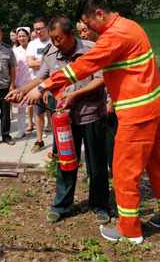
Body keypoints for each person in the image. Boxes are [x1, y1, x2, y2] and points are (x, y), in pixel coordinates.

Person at [22, 0, 160, 244]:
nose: (87, 29)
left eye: (88, 23)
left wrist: (44, 86)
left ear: (99, 14)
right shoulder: (131, 26)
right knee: (159, 165)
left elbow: (82, 66)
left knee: (123, 171)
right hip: (157, 107)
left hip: (137, 114)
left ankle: (130, 229)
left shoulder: (114, 36)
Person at [7, 17, 110, 225]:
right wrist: (22, 90)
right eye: (52, 39)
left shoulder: (92, 49)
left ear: (72, 34)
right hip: (65, 120)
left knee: (96, 164)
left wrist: (76, 95)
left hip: (92, 115)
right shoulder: (51, 53)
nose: (55, 44)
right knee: (65, 163)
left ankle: (99, 205)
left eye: (59, 39)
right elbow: (41, 78)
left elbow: (101, 79)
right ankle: (62, 205)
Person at [78, 20, 116, 174]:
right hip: (93, 107)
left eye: (85, 30)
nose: (83, 34)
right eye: (80, 32)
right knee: (92, 144)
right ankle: (92, 173)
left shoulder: (104, 48)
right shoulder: (84, 52)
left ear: (94, 29)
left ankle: (114, 172)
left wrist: (111, 102)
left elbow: (115, 78)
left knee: (111, 140)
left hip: (108, 102)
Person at [26, 17, 53, 152]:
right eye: (36, 29)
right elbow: (30, 63)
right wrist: (46, 62)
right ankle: (39, 141)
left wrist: (40, 61)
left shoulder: (54, 42)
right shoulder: (32, 44)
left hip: (53, 84)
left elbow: (54, 65)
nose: (39, 32)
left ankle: (58, 144)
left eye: (41, 28)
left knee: (56, 113)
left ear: (47, 27)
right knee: (39, 113)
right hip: (37, 85)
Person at [12, 27, 33, 139]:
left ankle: (39, 128)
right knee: (21, 108)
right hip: (20, 80)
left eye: (23, 36)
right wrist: (13, 82)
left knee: (36, 106)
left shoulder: (33, 48)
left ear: (28, 36)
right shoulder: (15, 51)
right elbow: (14, 68)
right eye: (19, 36)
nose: (21, 38)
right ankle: (21, 130)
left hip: (33, 80)